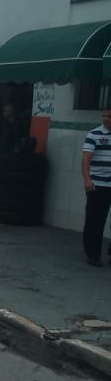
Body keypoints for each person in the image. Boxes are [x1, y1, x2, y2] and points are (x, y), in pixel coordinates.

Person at [81, 108, 111, 267]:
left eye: (109, 117)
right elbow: (86, 159)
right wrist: (87, 180)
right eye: (104, 116)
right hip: (98, 185)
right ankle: (93, 254)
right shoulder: (94, 134)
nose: (106, 119)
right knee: (95, 221)